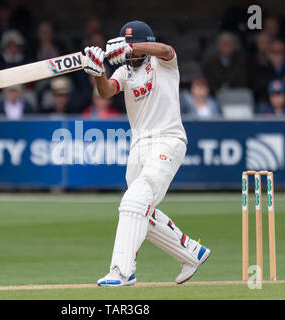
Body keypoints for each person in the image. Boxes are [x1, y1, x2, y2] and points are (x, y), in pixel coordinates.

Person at [83, 21, 210, 287]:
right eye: (126, 50)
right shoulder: (124, 72)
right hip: (138, 146)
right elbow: (105, 91)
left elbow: (166, 48)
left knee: (134, 201)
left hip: (168, 139)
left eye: (133, 49)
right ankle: (192, 252)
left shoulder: (162, 62)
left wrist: (130, 46)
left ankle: (122, 271)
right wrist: (97, 71)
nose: (130, 56)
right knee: (141, 211)